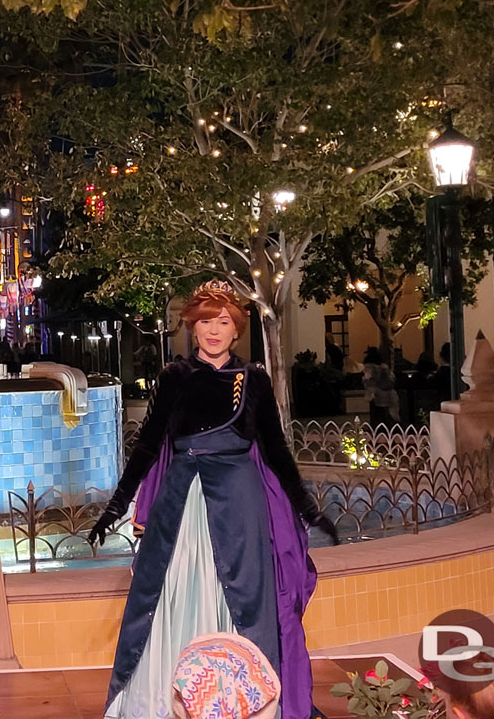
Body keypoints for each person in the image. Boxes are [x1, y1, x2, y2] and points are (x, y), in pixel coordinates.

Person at [90, 279, 337, 719]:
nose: (213, 330)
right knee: (171, 592)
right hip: (181, 504)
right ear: (193, 327)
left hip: (240, 507)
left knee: (240, 597)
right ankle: (168, 701)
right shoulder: (174, 378)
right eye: (205, 321)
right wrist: (115, 506)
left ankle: (243, 699)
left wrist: (307, 508)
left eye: (223, 321)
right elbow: (147, 446)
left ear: (236, 329)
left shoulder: (253, 380)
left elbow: (277, 451)